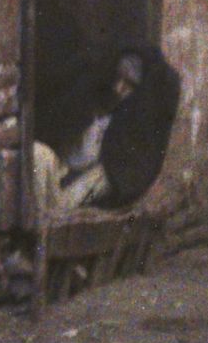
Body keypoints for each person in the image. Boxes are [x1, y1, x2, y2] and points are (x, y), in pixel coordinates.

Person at [33, 45, 182, 217]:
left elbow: (119, 173)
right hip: (62, 174)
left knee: (64, 205)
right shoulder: (90, 102)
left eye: (129, 84)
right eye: (118, 78)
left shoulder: (131, 129)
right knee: (38, 153)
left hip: (86, 185)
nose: (119, 89)